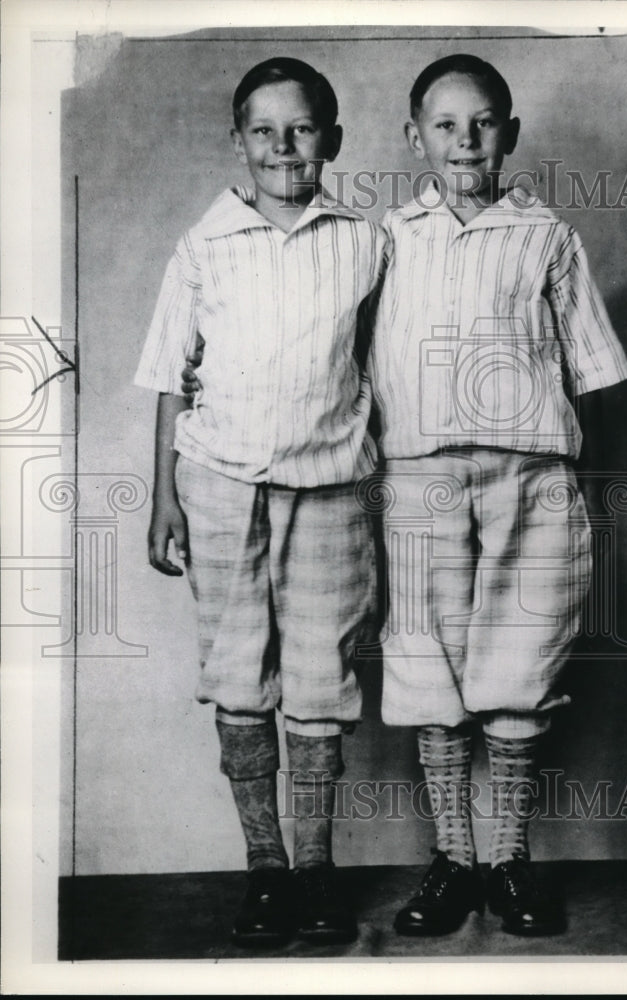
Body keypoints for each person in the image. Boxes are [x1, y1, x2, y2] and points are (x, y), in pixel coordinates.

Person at [365, 54, 627, 937]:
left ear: (508, 133)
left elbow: (595, 369)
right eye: (445, 125)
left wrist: (574, 482)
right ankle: (454, 858)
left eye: (482, 122)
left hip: (530, 474)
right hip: (419, 478)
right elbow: (347, 360)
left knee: (519, 667)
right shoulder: (386, 237)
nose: (465, 139)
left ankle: (510, 859)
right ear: (415, 138)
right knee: (429, 670)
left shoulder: (547, 234)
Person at [134, 57, 387, 948]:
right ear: (237, 141)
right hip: (218, 481)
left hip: (329, 486)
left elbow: (377, 368)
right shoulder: (204, 245)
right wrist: (163, 494)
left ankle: (317, 873)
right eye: (265, 131)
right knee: (241, 676)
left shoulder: (365, 239)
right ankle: (267, 871)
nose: (285, 146)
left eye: (303, 128)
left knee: (320, 683)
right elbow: (170, 374)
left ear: (333, 140)